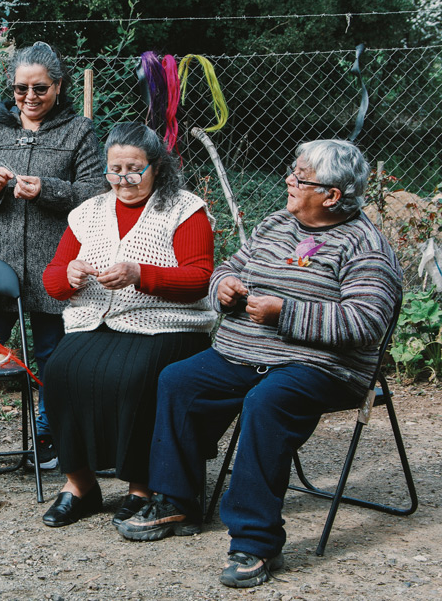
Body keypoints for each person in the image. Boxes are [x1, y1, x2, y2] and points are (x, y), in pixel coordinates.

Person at [116, 140, 403, 589]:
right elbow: (228, 267)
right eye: (293, 171)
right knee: (179, 380)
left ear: (331, 195)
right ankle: (176, 500)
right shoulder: (276, 224)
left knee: (266, 403)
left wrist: (284, 313)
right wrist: (225, 285)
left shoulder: (366, 247)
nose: (289, 180)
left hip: (321, 366)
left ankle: (255, 541)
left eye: (301, 177)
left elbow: (364, 323)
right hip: (244, 351)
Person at [38, 123, 215, 528]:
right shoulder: (88, 212)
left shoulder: (184, 209)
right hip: (97, 321)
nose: (123, 179)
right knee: (62, 369)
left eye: (134, 169)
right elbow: (52, 281)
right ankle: (79, 484)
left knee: (134, 376)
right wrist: (71, 273)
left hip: (170, 325)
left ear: (157, 168)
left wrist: (140, 273)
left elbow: (199, 279)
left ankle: (142, 486)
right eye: (114, 170)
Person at [0, 41, 104, 472]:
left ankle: (47, 439)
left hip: (56, 263)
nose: (29, 98)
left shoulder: (79, 131)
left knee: (54, 353)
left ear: (58, 86)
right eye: (20, 89)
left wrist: (48, 189)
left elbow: (96, 194)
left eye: (40, 89)